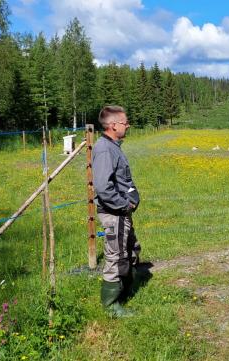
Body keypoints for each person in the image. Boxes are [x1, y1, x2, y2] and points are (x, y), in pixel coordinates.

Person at [92, 105, 142, 317]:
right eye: (125, 122)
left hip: (122, 213)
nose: (128, 125)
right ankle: (111, 305)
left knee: (129, 250)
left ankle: (125, 290)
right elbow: (103, 187)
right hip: (115, 213)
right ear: (113, 125)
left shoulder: (113, 146)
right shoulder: (104, 149)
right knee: (115, 255)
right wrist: (124, 204)